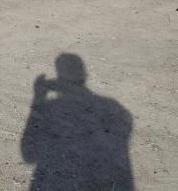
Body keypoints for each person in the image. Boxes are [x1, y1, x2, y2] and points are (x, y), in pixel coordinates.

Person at [21, 54, 134, 190]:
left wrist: (38, 97)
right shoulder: (113, 107)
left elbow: (29, 155)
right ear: (84, 75)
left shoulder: (51, 107)